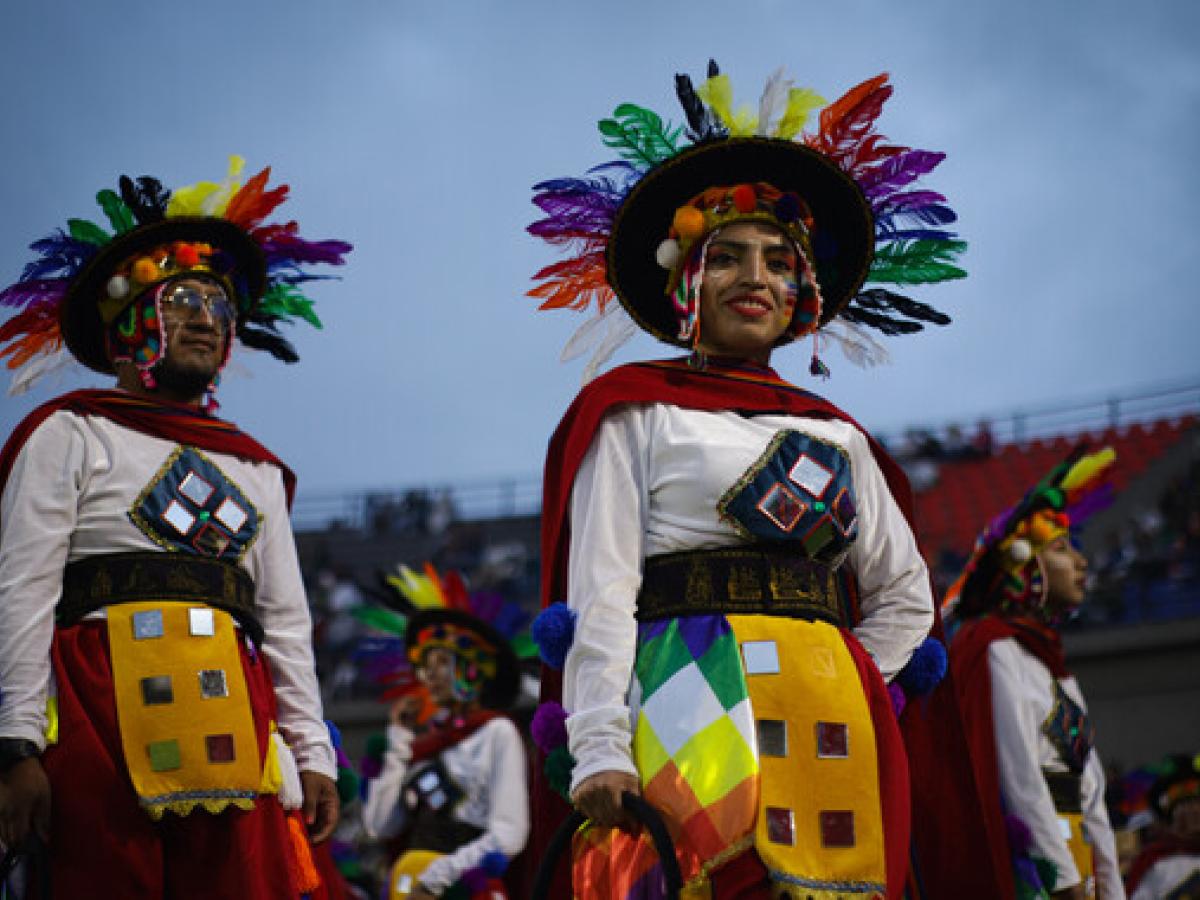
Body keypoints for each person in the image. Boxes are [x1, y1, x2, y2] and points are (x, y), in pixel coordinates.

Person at [526, 63, 1004, 899]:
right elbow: (601, 593)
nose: (756, 277)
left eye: (780, 261)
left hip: (833, 718)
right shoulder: (633, 414)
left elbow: (904, 599)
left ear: (802, 295)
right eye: (727, 258)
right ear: (686, 282)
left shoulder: (840, 437)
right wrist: (599, 744)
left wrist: (849, 674)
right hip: (682, 689)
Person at [0, 157, 351, 898]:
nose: (205, 319)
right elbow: (21, 592)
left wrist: (313, 751)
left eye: (220, 309)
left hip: (236, 716)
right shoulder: (69, 434)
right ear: (130, 320)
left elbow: (286, 622)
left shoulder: (254, 469)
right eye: (182, 300)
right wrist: (14, 745)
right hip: (96, 715)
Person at [946, 448, 1126, 899]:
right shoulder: (994, 648)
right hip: (1037, 875)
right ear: (1027, 566)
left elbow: (1091, 790)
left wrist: (1111, 885)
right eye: (1063, 549)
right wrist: (1062, 881)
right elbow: (1018, 775)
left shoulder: (1055, 667)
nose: (1081, 563)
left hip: (1083, 870)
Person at [361, 565, 530, 900]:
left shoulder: (497, 732)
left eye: (441, 663)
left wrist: (436, 877)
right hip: (410, 887)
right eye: (425, 666)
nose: (429, 675)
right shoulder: (423, 745)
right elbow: (380, 825)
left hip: (465, 889)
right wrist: (399, 740)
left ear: (473, 667)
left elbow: (509, 832)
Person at [1125, 754, 1200, 899]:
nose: (1195, 811)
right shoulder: (1152, 861)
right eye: (1187, 804)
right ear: (1171, 820)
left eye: (1197, 803)